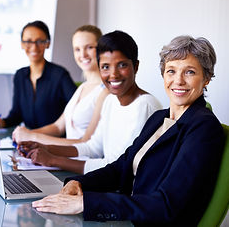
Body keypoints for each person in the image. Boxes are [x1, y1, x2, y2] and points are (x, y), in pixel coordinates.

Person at [32, 35, 225, 226]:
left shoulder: (204, 128)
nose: (178, 81)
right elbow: (121, 167)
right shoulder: (159, 118)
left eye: (189, 72)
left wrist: (86, 203)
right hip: (128, 218)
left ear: (206, 78)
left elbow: (167, 204)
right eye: (171, 71)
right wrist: (79, 183)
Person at [17, 30, 162, 174]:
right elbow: (92, 147)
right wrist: (45, 148)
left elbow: (118, 167)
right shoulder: (111, 100)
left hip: (127, 191)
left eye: (122, 65)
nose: (113, 74)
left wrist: (53, 160)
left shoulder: (145, 105)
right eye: (105, 67)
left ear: (135, 66)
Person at [12, 25, 109, 146]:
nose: (83, 54)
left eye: (89, 47)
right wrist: (25, 134)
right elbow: (58, 127)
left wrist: (33, 136)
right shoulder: (83, 87)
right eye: (77, 49)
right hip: (69, 158)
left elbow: (86, 144)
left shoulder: (106, 91)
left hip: (81, 160)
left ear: (102, 49)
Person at [0, 20, 76, 129]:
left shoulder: (60, 75)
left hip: (55, 141)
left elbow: (77, 109)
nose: (34, 47)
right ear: (22, 44)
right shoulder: (20, 76)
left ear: (47, 43)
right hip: (30, 142)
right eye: (28, 41)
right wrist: (1, 122)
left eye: (39, 41)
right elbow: (16, 115)